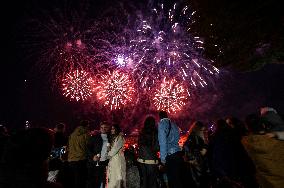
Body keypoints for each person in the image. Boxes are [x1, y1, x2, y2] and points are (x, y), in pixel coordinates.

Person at [242, 113, 284, 188]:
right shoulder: (278, 140)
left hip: (268, 183)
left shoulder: (247, 144)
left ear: (248, 128)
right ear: (263, 125)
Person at [157, 111, 186, 188]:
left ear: (159, 117)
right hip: (178, 154)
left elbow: (162, 143)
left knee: (172, 181)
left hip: (170, 156)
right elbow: (177, 139)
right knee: (179, 180)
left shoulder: (161, 125)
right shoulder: (174, 125)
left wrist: (163, 159)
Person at [183, 121, 209, 188]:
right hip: (196, 167)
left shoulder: (196, 137)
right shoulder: (194, 138)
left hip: (198, 166)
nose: (204, 132)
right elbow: (188, 149)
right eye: (202, 130)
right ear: (198, 129)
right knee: (199, 182)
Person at [86, 121, 111, 188]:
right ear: (100, 128)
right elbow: (88, 148)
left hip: (105, 163)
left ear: (108, 128)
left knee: (103, 181)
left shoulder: (110, 138)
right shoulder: (95, 137)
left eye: (105, 127)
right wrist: (92, 156)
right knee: (94, 182)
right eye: (102, 127)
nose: (103, 129)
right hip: (95, 163)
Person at [138, 116, 160, 188]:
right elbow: (157, 147)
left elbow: (139, 145)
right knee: (152, 183)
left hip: (141, 160)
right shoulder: (155, 133)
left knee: (144, 182)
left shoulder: (141, 133)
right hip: (151, 161)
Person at [67, 120, 90, 188]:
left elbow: (68, 146)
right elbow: (88, 146)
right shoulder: (85, 134)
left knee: (72, 180)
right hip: (81, 159)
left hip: (71, 159)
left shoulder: (72, 135)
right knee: (80, 181)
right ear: (87, 125)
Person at [107, 124, 126, 188]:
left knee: (117, 176)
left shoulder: (119, 137)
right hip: (113, 159)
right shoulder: (113, 138)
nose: (112, 130)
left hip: (118, 159)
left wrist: (107, 155)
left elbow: (115, 149)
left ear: (116, 129)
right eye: (111, 129)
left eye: (113, 129)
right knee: (113, 176)